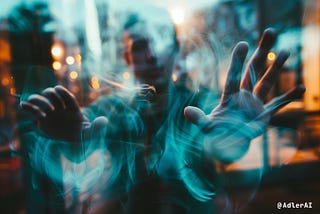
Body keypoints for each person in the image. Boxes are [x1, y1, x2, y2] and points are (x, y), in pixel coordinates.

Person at [19, 6, 305, 214]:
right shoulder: (113, 108)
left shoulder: (201, 102)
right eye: (142, 45)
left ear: (176, 48)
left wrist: (232, 138)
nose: (153, 54)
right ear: (127, 57)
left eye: (161, 41)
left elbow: (219, 143)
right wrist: (71, 141)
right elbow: (84, 137)